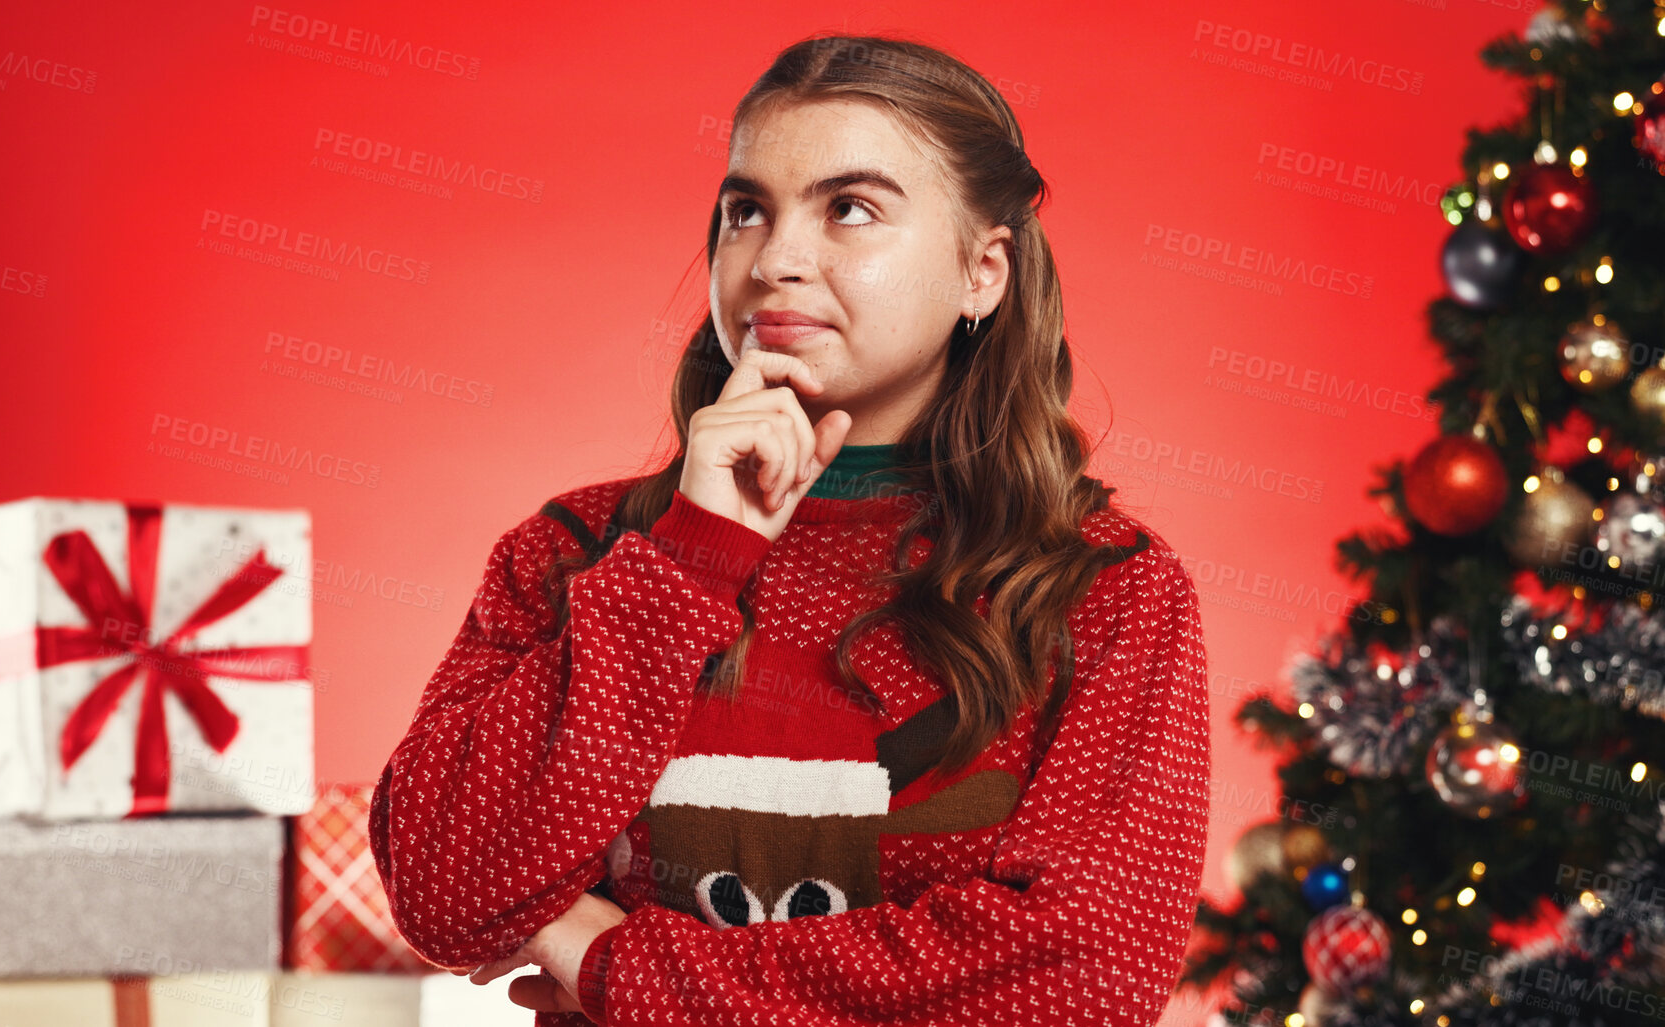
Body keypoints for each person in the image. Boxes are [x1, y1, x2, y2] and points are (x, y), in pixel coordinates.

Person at [368, 33, 1211, 1027]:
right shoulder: (571, 551)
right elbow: (444, 893)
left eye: (849, 209)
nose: (774, 260)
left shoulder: (1106, 588)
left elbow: (1080, 978)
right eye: (745, 212)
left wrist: (608, 957)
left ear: (983, 270)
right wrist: (686, 561)